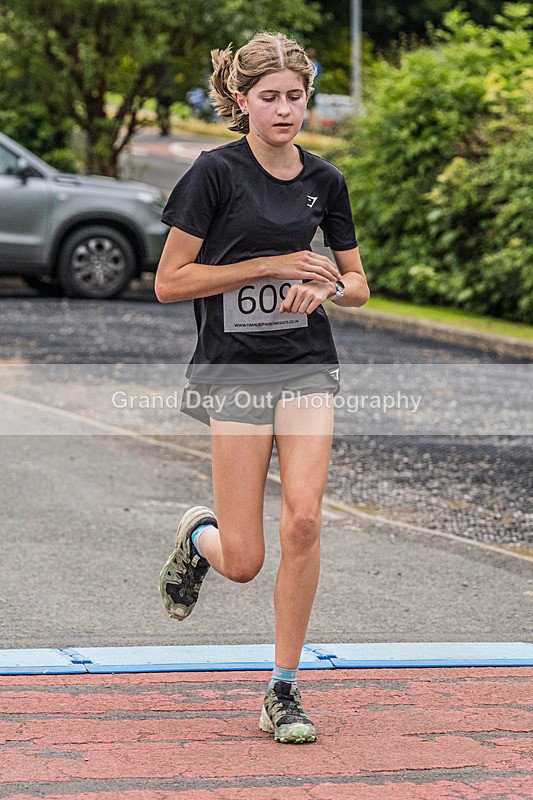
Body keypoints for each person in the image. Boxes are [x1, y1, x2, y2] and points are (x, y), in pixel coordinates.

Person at [155, 31, 369, 745]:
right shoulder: (214, 173)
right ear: (241, 100)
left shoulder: (325, 180)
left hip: (306, 361)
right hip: (236, 368)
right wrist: (270, 265)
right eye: (269, 97)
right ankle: (200, 534)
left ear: (307, 100)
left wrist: (329, 286)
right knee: (244, 560)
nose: (283, 110)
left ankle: (283, 687)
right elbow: (169, 282)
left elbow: (358, 282)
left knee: (303, 520)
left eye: (294, 97)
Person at [305, 48, 322, 131]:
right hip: (315, 87)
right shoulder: (317, 64)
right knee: (312, 108)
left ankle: (311, 126)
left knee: (309, 107)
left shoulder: (307, 64)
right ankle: (312, 126)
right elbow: (319, 75)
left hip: (308, 86)